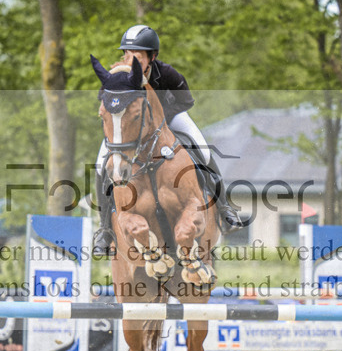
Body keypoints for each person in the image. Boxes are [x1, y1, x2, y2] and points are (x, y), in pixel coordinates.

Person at [93, 25, 244, 257]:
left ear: (152, 57)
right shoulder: (117, 76)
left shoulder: (168, 74)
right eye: (127, 54)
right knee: (100, 163)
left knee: (201, 149)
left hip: (169, 120)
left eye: (138, 55)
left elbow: (187, 102)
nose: (131, 59)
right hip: (129, 128)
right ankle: (104, 229)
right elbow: (105, 103)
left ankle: (224, 207)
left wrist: (159, 116)